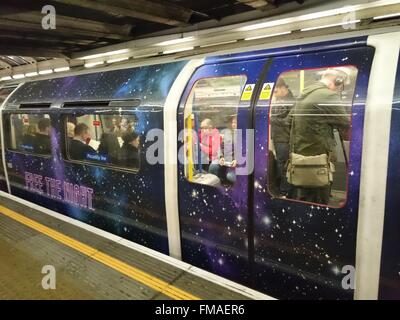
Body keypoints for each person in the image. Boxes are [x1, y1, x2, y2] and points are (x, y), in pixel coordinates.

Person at [290, 68, 350, 204]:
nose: (339, 91)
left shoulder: (304, 93)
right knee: (319, 200)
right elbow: (345, 122)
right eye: (340, 87)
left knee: (306, 196)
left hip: (301, 154)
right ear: (337, 81)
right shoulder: (328, 95)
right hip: (319, 158)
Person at [270, 78, 295, 197]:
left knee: (283, 164)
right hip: (279, 137)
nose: (274, 95)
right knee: (280, 163)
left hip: (284, 138)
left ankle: (284, 190)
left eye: (275, 92)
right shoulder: (281, 100)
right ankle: (282, 187)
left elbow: (286, 122)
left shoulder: (289, 102)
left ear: (283, 88)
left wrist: (269, 117)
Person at [209, 116, 238, 185]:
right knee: (213, 166)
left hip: (236, 162)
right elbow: (220, 146)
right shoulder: (227, 133)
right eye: (232, 122)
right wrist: (221, 157)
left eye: (235, 123)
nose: (233, 124)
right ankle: (220, 184)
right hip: (226, 160)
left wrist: (237, 160)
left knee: (230, 176)